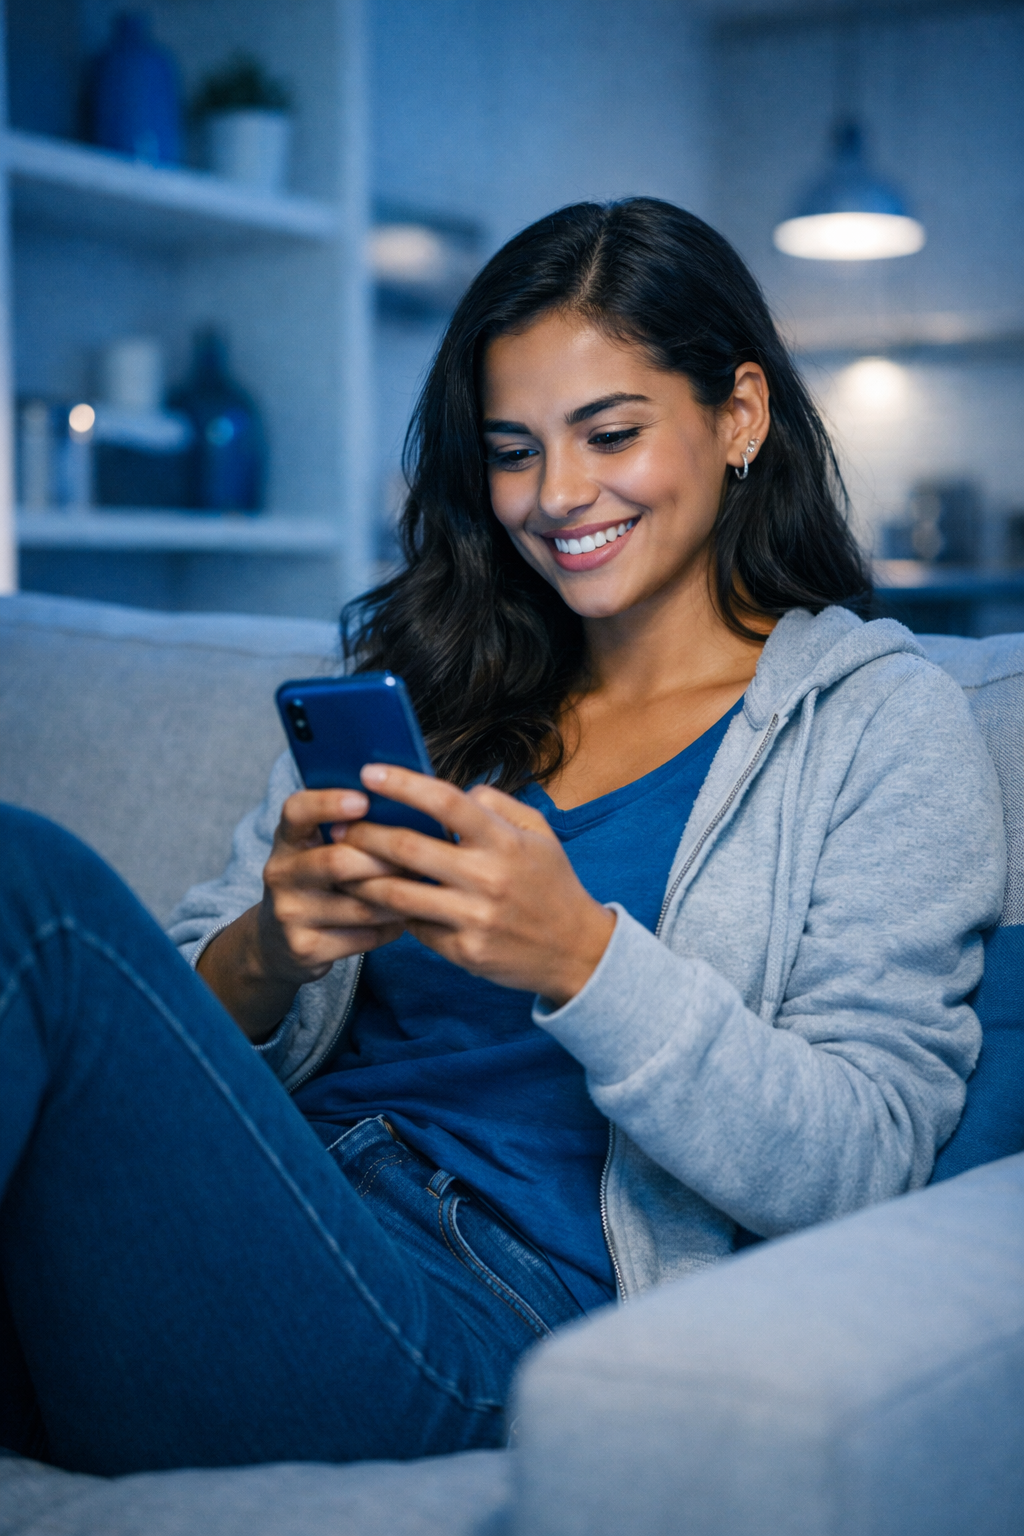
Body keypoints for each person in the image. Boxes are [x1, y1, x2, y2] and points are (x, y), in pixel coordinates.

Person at [0, 200, 1004, 1477]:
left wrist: (581, 957)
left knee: (27, 892)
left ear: (739, 413)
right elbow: (189, 1008)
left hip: (480, 1317)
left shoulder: (874, 724)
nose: (557, 497)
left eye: (611, 433)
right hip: (270, 1209)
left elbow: (863, 1158)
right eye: (513, 450)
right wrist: (271, 949)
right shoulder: (428, 683)